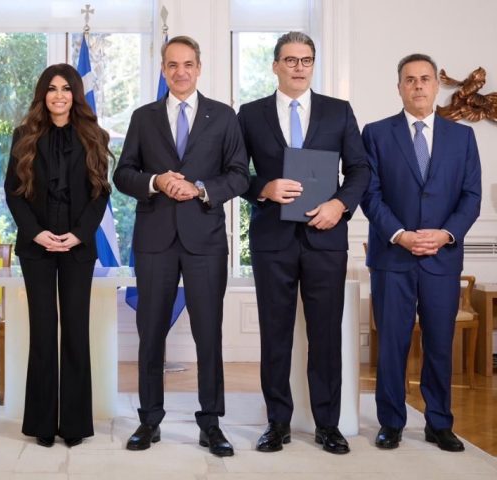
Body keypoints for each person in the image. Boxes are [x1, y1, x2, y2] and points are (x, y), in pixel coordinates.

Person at [114, 35, 249, 458]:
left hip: (205, 240)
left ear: (199, 67)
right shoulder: (144, 117)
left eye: (188, 64)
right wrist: (156, 181)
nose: (180, 71)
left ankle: (211, 423)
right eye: (172, 64)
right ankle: (149, 420)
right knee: (150, 332)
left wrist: (201, 188)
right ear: (163, 69)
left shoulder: (223, 116)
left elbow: (240, 175)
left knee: (208, 334)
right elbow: (123, 174)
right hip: (155, 240)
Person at [237, 31, 370, 455]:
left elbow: (360, 169)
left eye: (306, 60)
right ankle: (277, 423)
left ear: (314, 65)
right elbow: (235, 172)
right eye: (291, 60)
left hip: (325, 237)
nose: (299, 67)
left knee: (326, 334)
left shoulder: (338, 111)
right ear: (275, 65)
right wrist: (264, 187)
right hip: (272, 239)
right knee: (275, 334)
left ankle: (328, 425)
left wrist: (340, 205)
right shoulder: (250, 114)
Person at [361, 53, 481, 452]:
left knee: (439, 344)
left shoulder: (462, 138)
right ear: (398, 87)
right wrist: (400, 235)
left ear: (436, 85)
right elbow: (370, 194)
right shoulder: (376, 134)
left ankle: (439, 423)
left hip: (441, 259)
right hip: (392, 257)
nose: (417, 86)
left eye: (425, 79)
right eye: (409, 79)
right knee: (392, 344)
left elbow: (471, 196)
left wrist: (445, 234)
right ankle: (391, 422)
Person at [4, 63, 110, 448]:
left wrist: (78, 235)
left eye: (66, 88)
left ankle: (75, 425)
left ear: (75, 94)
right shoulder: (24, 136)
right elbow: (13, 192)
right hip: (37, 247)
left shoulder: (95, 135)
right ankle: (42, 424)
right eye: (52, 88)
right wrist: (37, 233)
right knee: (44, 331)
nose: (59, 95)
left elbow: (101, 193)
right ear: (43, 94)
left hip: (78, 248)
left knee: (76, 332)